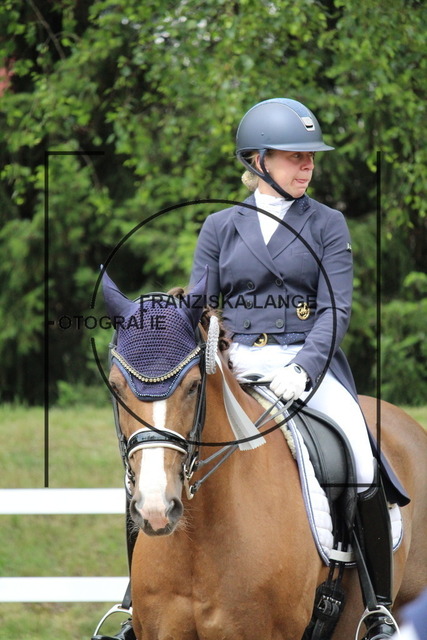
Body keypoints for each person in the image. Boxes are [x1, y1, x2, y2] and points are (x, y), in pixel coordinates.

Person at [189, 97, 398, 639]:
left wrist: (304, 369)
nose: (307, 166)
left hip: (307, 363)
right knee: (165, 456)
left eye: (310, 157)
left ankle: (376, 606)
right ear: (258, 161)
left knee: (360, 456)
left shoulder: (326, 223)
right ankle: (133, 602)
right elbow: (199, 304)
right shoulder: (220, 225)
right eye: (293, 156)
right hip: (234, 366)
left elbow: (336, 308)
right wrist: (208, 348)